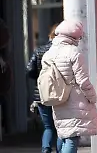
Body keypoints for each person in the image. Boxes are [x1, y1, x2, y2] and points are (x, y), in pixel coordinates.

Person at [40, 20, 97, 153]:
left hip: (58, 98)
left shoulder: (49, 53)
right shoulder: (74, 52)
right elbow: (83, 81)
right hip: (74, 100)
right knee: (72, 139)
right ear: (74, 36)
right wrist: (92, 97)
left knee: (64, 135)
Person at [27, 24, 60, 153]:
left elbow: (29, 70)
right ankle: (59, 150)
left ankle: (45, 149)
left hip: (41, 94)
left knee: (48, 126)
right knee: (59, 127)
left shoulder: (40, 50)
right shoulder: (60, 51)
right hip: (58, 94)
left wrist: (40, 78)